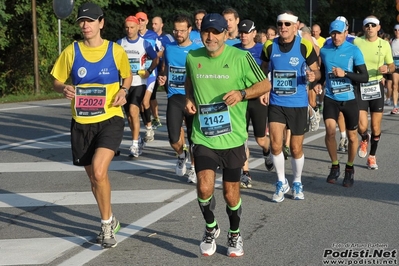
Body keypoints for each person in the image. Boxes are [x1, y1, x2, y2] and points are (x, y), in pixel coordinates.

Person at [185, 13, 271, 257]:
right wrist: (190, 97)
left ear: (225, 34)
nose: (210, 36)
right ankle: (211, 227)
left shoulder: (241, 57)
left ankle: (235, 233)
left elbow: (265, 85)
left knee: (230, 193)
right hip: (204, 135)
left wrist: (242, 94)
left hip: (232, 138)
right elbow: (189, 81)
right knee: (204, 187)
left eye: (216, 32)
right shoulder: (193, 57)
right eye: (206, 31)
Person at [50, 2, 132, 248]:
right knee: (95, 179)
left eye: (90, 21)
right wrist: (63, 87)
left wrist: (124, 90)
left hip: (110, 118)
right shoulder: (71, 51)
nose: (85, 25)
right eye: (81, 22)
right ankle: (110, 216)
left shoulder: (115, 51)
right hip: (81, 122)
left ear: (101, 23)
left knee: (98, 171)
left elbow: (127, 75)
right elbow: (55, 80)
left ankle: (106, 226)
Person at [260, 11, 320, 202]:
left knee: (295, 148)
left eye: (287, 24)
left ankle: (297, 182)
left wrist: (313, 77)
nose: (283, 27)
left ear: (295, 27)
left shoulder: (304, 45)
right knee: (276, 145)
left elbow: (317, 71)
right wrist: (263, 88)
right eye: (280, 24)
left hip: (298, 103)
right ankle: (280, 181)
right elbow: (263, 68)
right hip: (277, 103)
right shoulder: (270, 45)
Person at [315, 19, 368, 187]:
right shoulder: (324, 50)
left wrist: (345, 73)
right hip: (331, 97)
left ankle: (350, 168)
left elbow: (364, 77)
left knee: (353, 136)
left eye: (339, 33)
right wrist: (318, 82)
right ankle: (335, 165)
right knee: (330, 132)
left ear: (346, 33)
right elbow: (323, 72)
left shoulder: (354, 50)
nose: (336, 37)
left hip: (350, 98)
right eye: (333, 33)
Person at [158, 14, 201, 183]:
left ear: (190, 30)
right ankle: (181, 155)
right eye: (176, 30)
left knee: (193, 138)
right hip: (174, 96)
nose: (178, 33)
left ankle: (194, 169)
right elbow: (165, 69)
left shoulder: (197, 51)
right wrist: (163, 77)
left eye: (182, 30)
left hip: (191, 98)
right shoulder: (169, 48)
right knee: (174, 138)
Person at [233, 19, 274, 189]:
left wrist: (265, 91)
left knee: (260, 139)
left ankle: (267, 151)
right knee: (242, 138)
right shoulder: (233, 50)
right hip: (240, 99)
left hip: (257, 98)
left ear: (253, 33)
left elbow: (268, 74)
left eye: (246, 32)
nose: (243, 36)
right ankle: (246, 173)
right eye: (241, 32)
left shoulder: (261, 49)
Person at [354, 16, 395, 170]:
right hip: (361, 86)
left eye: (373, 25)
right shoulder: (357, 42)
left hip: (376, 86)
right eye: (367, 25)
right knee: (361, 124)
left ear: (378, 27)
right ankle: (365, 137)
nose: (370, 27)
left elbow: (391, 66)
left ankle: (372, 156)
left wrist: (387, 69)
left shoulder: (384, 45)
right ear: (364, 28)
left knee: (376, 126)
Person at [117, 16, 159, 157]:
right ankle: (139, 139)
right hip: (124, 84)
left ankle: (134, 144)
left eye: (132, 27)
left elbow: (156, 58)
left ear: (137, 28)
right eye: (127, 27)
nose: (129, 30)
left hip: (139, 83)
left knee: (134, 111)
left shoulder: (144, 43)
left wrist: (149, 71)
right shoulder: (120, 43)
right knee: (129, 116)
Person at [136, 11, 162, 142]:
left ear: (146, 22)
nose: (139, 22)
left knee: (145, 101)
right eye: (137, 20)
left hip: (150, 73)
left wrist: (158, 69)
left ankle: (149, 129)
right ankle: (148, 125)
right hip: (137, 75)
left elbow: (160, 52)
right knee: (140, 104)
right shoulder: (132, 35)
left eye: (142, 20)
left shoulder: (152, 36)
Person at [151, 16, 175, 129]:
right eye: (152, 23)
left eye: (156, 24)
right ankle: (156, 118)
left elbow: (173, 50)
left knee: (170, 93)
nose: (153, 26)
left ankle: (176, 113)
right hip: (153, 69)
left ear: (162, 25)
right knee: (151, 95)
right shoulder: (150, 36)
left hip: (165, 70)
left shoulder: (168, 37)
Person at [390, 24, 399, 113]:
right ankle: (395, 106)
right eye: (395, 30)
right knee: (394, 85)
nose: (397, 32)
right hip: (395, 65)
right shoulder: (391, 41)